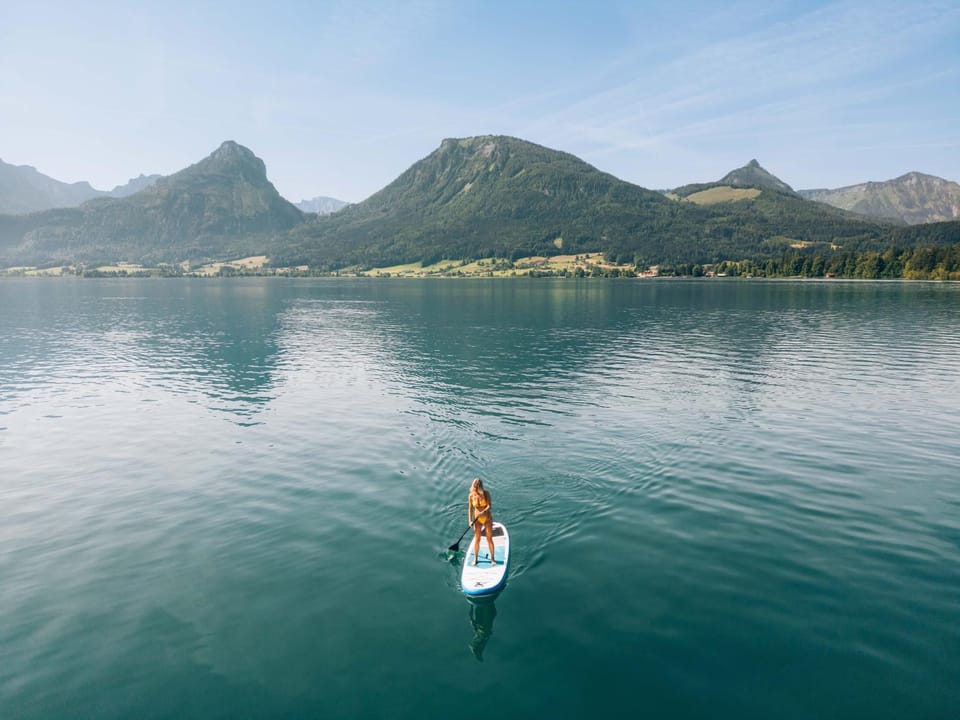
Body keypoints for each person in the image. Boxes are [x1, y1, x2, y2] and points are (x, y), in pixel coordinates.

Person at [468, 477, 497, 566]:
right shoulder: (471, 496)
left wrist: (483, 512)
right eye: (474, 486)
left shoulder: (486, 493)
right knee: (477, 539)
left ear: (480, 486)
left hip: (487, 518)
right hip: (477, 520)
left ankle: (492, 559)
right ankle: (475, 559)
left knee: (489, 538)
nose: (475, 488)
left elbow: (489, 506)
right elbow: (470, 509)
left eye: (477, 486)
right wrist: (470, 520)